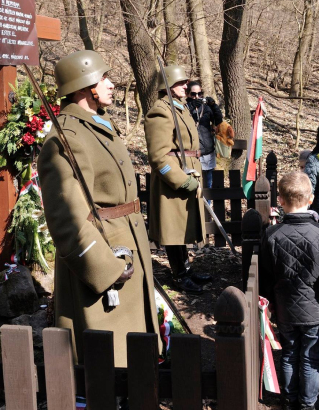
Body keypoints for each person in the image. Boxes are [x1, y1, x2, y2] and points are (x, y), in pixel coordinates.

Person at [38, 50, 160, 366]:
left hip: (127, 242)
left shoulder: (97, 124)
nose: (111, 84)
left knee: (133, 350)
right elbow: (66, 219)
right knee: (107, 360)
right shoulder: (66, 137)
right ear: (84, 86)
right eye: (103, 77)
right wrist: (106, 269)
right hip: (104, 254)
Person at [260, 172, 319, 410]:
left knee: (289, 352)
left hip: (285, 305)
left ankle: (290, 400)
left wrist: (269, 302)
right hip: (316, 308)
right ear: (310, 199)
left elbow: (266, 275)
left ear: (280, 200)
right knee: (311, 356)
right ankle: (307, 403)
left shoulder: (271, 234)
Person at [145, 64, 212, 294]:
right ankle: (179, 276)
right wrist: (180, 180)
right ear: (168, 85)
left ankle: (186, 269)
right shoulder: (161, 111)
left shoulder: (179, 108)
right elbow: (157, 156)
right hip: (172, 181)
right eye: (181, 82)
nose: (186, 85)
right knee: (174, 230)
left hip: (188, 171)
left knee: (182, 228)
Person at [185, 80, 223, 189]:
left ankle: (208, 205)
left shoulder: (206, 107)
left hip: (208, 150)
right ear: (187, 94)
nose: (197, 97)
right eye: (193, 94)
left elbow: (218, 120)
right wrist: (191, 107)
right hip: (193, 152)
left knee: (208, 184)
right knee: (196, 184)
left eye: (199, 93)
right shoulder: (184, 108)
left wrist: (214, 105)